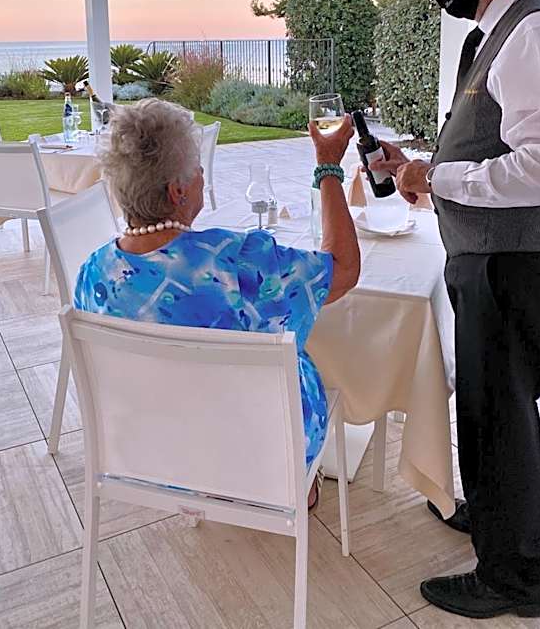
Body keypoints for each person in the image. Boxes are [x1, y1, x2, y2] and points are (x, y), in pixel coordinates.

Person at [370, 0, 540, 619]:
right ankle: (496, 521)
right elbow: (493, 143)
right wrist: (421, 167)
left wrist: (438, 177)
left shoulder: (531, 34)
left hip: (507, 264)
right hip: (489, 257)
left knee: (499, 414)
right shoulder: (497, 32)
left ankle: (515, 577)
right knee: (488, 407)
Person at [74, 98, 360, 507]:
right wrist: (328, 166)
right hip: (256, 454)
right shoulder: (236, 260)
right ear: (177, 191)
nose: (203, 176)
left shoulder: (92, 272)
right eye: (197, 169)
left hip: (151, 453)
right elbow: (344, 268)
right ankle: (297, 485)